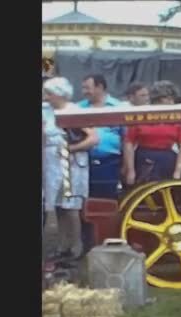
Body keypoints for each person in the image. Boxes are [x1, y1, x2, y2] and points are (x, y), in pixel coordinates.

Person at [43, 77, 99, 261]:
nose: (46, 96)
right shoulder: (45, 111)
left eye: (49, 93)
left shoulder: (74, 112)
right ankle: (62, 245)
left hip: (72, 163)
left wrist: (70, 149)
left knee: (70, 206)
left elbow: (93, 139)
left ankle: (76, 245)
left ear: (59, 94)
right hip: (51, 163)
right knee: (57, 206)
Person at [123, 81, 181, 185]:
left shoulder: (175, 119)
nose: (172, 103)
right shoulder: (141, 116)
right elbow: (128, 143)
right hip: (143, 159)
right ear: (161, 99)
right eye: (170, 99)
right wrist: (131, 170)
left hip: (167, 160)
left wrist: (178, 171)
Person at [79, 74, 124, 199]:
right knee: (84, 198)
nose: (84, 92)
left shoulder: (119, 108)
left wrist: (126, 165)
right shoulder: (78, 108)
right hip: (83, 161)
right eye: (83, 88)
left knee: (107, 199)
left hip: (111, 161)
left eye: (87, 88)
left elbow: (127, 138)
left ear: (100, 87)